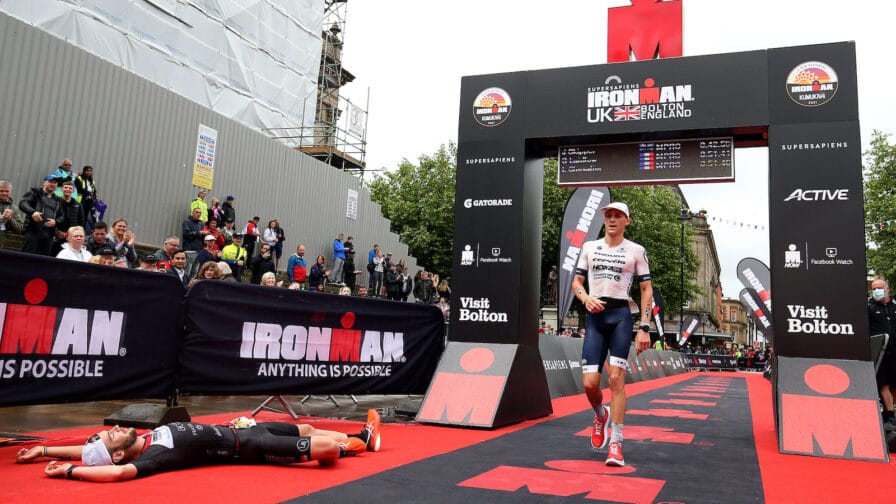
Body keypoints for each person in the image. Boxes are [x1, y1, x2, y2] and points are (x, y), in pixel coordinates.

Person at [16, 410, 381, 482]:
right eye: (114, 435)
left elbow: (90, 449)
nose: (119, 428)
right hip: (251, 449)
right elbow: (117, 472)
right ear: (117, 451)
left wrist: (45, 451)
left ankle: (361, 438)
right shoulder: (156, 457)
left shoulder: (144, 439)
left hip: (243, 428)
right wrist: (70, 472)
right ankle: (359, 442)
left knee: (304, 425)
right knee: (327, 451)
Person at [570, 201, 652, 467]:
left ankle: (616, 443)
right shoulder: (589, 248)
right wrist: (585, 299)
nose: (612, 220)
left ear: (627, 221)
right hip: (595, 317)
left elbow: (646, 290)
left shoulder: (636, 251)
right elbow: (576, 283)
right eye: (608, 215)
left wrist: (644, 327)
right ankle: (599, 414)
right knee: (590, 384)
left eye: (618, 216)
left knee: (616, 380)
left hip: (621, 317)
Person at [870, 278, 896, 429]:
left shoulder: (894, 306)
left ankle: (888, 413)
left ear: (888, 289)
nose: (876, 291)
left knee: (893, 384)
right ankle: (890, 415)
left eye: (879, 287)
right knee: (883, 384)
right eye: (873, 289)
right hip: (879, 353)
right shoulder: (869, 307)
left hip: (895, 352)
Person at [19, 175, 65, 256]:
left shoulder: (58, 200)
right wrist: (33, 212)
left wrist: (55, 221)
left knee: (43, 262)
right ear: (44, 182)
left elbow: (62, 216)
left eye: (55, 182)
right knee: (27, 259)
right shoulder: (34, 193)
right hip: (33, 231)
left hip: (49, 235)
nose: (53, 184)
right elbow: (22, 203)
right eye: (50, 182)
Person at [51, 180, 85, 256]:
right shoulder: (56, 202)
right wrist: (56, 232)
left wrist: (69, 234)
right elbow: (52, 216)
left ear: (73, 191)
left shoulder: (78, 205)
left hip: (71, 237)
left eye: (70, 188)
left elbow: (81, 222)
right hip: (56, 236)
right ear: (62, 189)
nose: (68, 189)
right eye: (66, 187)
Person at [182, 207, 207, 278]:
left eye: (200, 213)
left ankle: (191, 286)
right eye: (197, 212)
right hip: (190, 250)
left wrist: (206, 235)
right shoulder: (187, 221)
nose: (198, 214)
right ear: (192, 213)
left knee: (195, 271)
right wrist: (199, 232)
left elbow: (201, 236)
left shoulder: (200, 223)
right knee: (187, 270)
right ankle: (185, 285)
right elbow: (186, 234)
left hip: (199, 250)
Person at [0, 180, 24, 248]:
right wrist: (2, 218)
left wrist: (10, 219)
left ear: (10, 192)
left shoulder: (14, 208)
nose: (4, 193)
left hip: (4, 246)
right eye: (1, 191)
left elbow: (20, 229)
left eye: (7, 191)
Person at [73, 165, 97, 234]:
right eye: (87, 171)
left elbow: (94, 190)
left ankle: (81, 232)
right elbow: (80, 189)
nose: (89, 172)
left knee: (85, 217)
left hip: (88, 201)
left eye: (90, 171)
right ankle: (75, 231)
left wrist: (94, 195)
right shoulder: (79, 178)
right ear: (84, 171)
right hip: (80, 201)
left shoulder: (91, 181)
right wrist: (89, 193)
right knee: (79, 217)